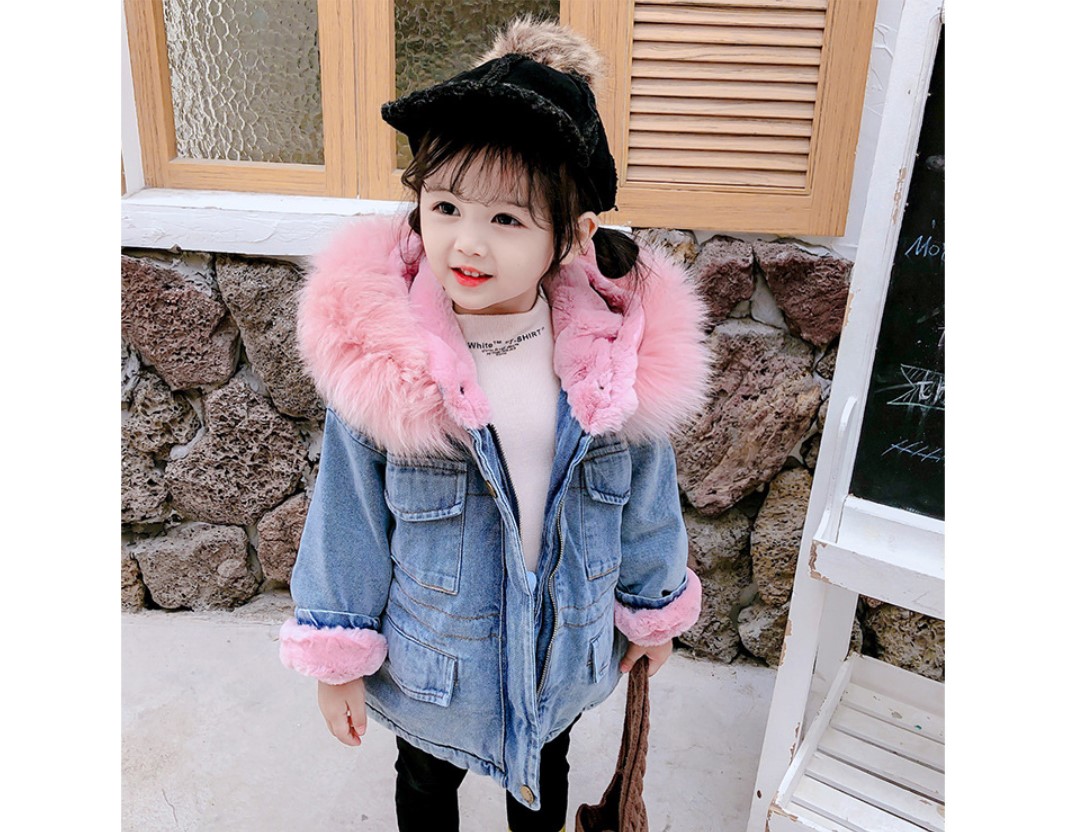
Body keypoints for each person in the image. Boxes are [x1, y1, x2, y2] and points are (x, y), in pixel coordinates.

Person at [279, 16, 711, 832]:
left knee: (544, 774)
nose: (466, 244)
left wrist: (652, 609)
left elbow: (647, 502)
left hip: (560, 652)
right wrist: (336, 653)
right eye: (445, 206)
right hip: (436, 663)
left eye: (507, 220)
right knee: (423, 781)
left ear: (572, 236)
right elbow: (347, 517)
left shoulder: (610, 362)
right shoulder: (386, 362)